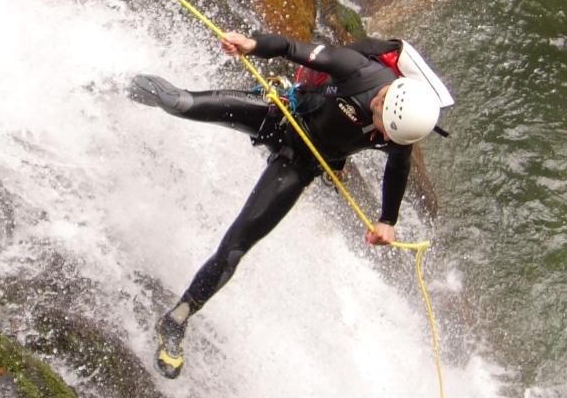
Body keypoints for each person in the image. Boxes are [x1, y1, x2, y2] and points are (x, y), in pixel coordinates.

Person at [130, 31, 449, 379]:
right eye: (384, 131)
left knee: (236, 246)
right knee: (180, 102)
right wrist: (252, 45)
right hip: (280, 112)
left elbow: (398, 165)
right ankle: (112, 82)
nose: (384, 139)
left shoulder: (400, 128)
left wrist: (388, 219)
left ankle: (176, 320)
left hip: (301, 164)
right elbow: (291, 49)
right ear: (382, 101)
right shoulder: (355, 69)